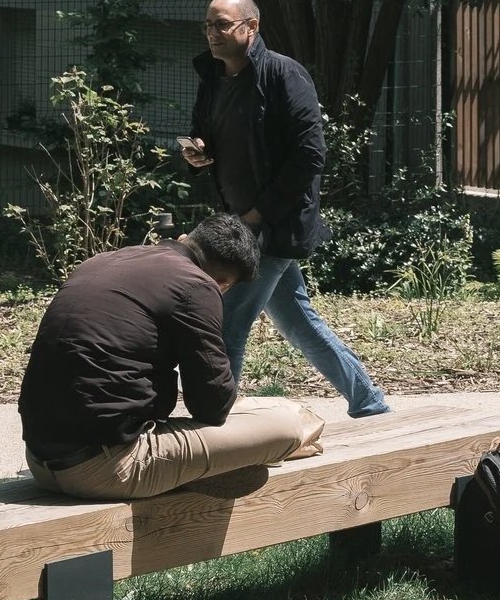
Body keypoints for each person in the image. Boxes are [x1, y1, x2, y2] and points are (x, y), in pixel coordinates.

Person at [181, 0, 390, 419]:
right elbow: (208, 133)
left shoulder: (283, 74)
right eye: (208, 25)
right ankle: (368, 401)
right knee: (297, 321)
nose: (213, 33)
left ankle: (214, 424)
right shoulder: (213, 76)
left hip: (273, 225)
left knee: (228, 323)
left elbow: (309, 155)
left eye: (222, 25)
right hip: (240, 224)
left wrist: (258, 216)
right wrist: (198, 152)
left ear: (251, 27)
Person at [19, 212, 326, 500]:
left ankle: (191, 470)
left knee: (262, 414)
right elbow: (212, 406)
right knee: (286, 424)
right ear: (223, 283)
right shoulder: (197, 285)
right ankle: (207, 466)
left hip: (41, 462)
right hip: (110, 467)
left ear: (183, 238)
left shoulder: (105, 260)